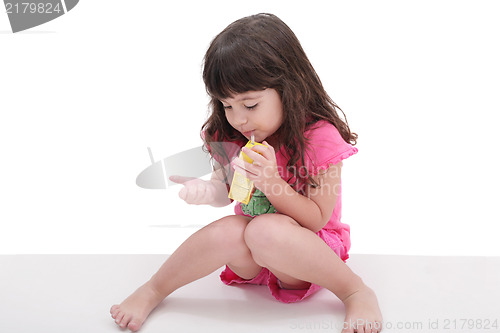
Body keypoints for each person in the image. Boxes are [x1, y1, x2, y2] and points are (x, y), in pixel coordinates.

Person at [110, 13, 383, 333]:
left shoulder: (319, 139)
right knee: (230, 229)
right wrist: (207, 192)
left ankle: (355, 291)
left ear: (290, 90)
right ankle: (153, 289)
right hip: (254, 255)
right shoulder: (235, 138)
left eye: (250, 105)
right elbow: (228, 191)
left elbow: (316, 220)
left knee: (263, 230)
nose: (238, 118)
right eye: (227, 105)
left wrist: (272, 183)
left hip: (308, 251)